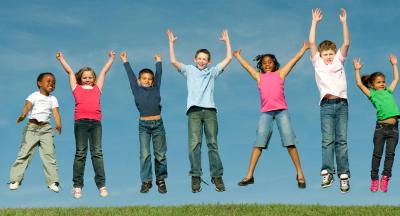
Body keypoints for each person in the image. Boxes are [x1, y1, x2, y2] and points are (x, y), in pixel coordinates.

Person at [233, 42, 309, 189]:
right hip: (266, 113)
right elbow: (247, 67)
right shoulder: (259, 77)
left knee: (289, 142)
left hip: (281, 111)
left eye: (270, 62)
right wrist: (237, 56)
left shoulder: (280, 73)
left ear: (275, 64)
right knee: (258, 143)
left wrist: (304, 49)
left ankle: (300, 173)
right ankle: (249, 175)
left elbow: (294, 60)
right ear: (261, 65)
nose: (267, 64)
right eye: (264, 63)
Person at [167, 29, 232, 193]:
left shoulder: (212, 72)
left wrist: (227, 41)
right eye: (199, 58)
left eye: (205, 59)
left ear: (209, 62)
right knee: (194, 144)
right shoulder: (189, 70)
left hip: (210, 111)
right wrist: (171, 43)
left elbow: (229, 58)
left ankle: (217, 176)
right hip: (194, 112)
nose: (202, 61)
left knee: (212, 144)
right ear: (195, 59)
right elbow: (173, 61)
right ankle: (195, 176)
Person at [56, 51, 115, 198]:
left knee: (97, 153)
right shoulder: (76, 88)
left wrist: (111, 59)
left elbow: (104, 72)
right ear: (80, 79)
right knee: (81, 153)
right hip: (81, 123)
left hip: (96, 123)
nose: (88, 79)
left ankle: (102, 186)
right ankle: (77, 186)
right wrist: (61, 59)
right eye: (85, 77)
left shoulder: (97, 88)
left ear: (93, 79)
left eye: (90, 77)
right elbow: (69, 71)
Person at [309, 8, 351, 193]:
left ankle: (343, 176)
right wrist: (315, 22)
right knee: (328, 141)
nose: (328, 56)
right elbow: (311, 42)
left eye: (330, 53)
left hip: (341, 104)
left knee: (341, 140)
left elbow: (347, 43)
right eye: (325, 53)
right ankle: (327, 172)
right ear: (320, 54)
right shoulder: (317, 62)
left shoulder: (338, 61)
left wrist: (343, 22)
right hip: (326, 105)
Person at [120, 51, 168, 194]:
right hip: (144, 127)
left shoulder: (156, 88)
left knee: (160, 154)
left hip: (158, 124)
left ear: (152, 82)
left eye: (149, 79)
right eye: (144, 78)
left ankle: (160, 179)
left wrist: (159, 61)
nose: (147, 80)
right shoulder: (136, 89)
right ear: (139, 80)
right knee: (145, 154)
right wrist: (125, 61)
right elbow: (130, 76)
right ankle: (146, 181)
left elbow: (159, 74)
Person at [353, 55, 400, 193]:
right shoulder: (372, 94)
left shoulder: (388, 91)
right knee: (377, 154)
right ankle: (374, 179)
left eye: (383, 82)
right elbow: (359, 84)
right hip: (380, 129)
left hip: (394, 129)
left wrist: (394, 65)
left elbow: (396, 79)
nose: (382, 84)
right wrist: (357, 70)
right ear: (372, 85)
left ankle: (385, 177)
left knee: (390, 154)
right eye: (379, 82)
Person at [9, 72, 62, 193]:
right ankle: (15, 179)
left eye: (54, 82)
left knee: (49, 155)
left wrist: (58, 124)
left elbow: (56, 113)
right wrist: (23, 114)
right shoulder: (34, 95)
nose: (52, 84)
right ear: (39, 83)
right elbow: (27, 106)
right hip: (32, 128)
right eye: (48, 81)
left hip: (46, 129)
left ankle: (53, 181)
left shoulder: (53, 99)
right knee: (24, 153)